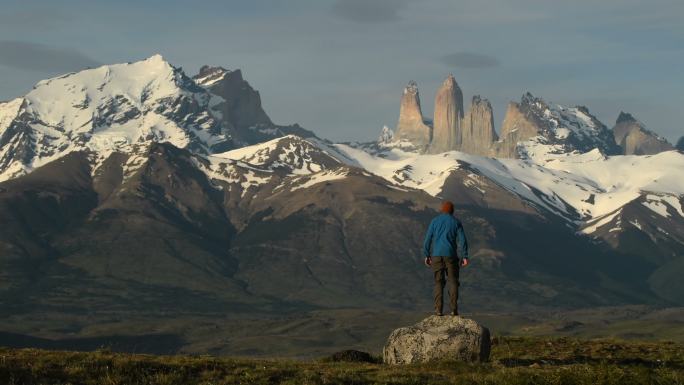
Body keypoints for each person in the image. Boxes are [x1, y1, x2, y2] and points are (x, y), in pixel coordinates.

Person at [422, 201, 469, 316]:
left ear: (442, 210)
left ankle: (438, 310)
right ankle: (453, 310)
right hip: (451, 256)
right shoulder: (456, 222)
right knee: (453, 281)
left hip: (437, 256)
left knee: (438, 282)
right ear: (452, 211)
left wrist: (427, 254)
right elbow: (463, 240)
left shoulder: (435, 221)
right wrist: (465, 256)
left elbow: (427, 239)